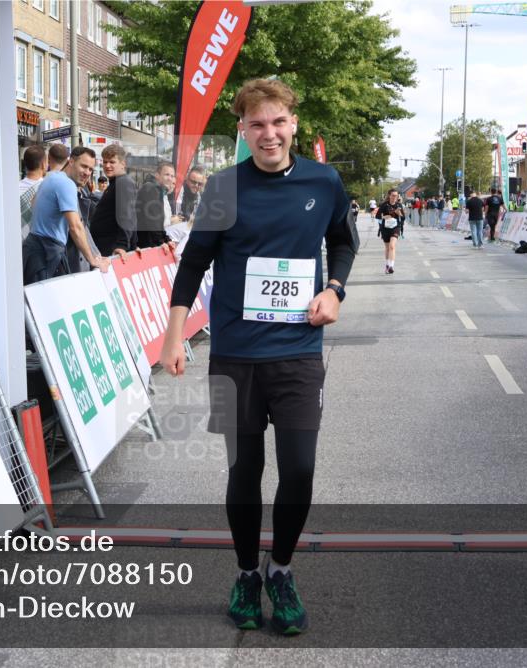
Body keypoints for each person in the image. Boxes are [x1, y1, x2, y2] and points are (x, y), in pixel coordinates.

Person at [160, 79, 357, 636]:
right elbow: (193, 264)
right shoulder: (223, 187)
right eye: (256, 125)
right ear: (243, 130)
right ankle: (247, 572)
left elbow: (343, 240)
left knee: (299, 468)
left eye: (277, 122)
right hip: (234, 356)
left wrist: (334, 289)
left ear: (293, 123)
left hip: (298, 352)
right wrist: (174, 339)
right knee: (243, 470)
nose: (268, 134)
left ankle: (281, 568)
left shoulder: (324, 180)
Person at [22, 146, 110, 284]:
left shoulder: (51, 178)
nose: (87, 173)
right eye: (84, 166)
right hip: (45, 254)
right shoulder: (66, 184)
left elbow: (34, 203)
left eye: (91, 169)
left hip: (36, 251)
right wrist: (92, 260)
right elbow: (76, 227)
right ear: (71, 161)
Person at [90, 143, 137, 257]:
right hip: (105, 246)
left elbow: (126, 216)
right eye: (105, 162)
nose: (107, 165)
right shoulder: (116, 183)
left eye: (112, 162)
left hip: (112, 250)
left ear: (123, 164)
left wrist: (121, 245)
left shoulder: (123, 182)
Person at [135, 160, 175, 248]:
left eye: (172, 176)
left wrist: (167, 240)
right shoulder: (151, 188)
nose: (170, 179)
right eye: (167, 175)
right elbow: (153, 221)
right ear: (157, 175)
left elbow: (159, 223)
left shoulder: (159, 191)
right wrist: (161, 242)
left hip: (149, 242)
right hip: (144, 244)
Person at [376, 188, 405, 273]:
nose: (395, 197)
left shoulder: (399, 205)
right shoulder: (384, 205)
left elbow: (403, 218)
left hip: (396, 227)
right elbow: (377, 216)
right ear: (389, 195)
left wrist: (400, 214)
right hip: (385, 228)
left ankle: (391, 266)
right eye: (393, 195)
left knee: (392, 246)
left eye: (396, 195)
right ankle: (387, 265)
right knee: (387, 247)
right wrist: (385, 217)